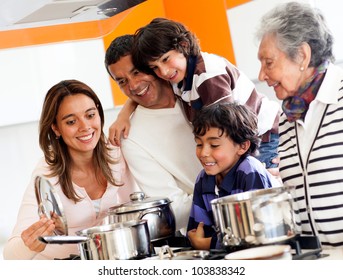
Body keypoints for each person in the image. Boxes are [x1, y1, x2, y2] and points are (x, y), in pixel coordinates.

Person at [110, 17, 280, 170]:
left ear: (183, 45)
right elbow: (138, 91)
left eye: (165, 59)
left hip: (265, 138)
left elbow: (225, 132)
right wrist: (124, 115)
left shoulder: (208, 76)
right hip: (249, 140)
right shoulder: (178, 75)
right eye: (154, 67)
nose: (163, 71)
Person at [3, 79, 137, 259]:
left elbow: (133, 211)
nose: (85, 127)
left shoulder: (116, 154)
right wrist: (31, 243)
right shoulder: (47, 173)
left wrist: (125, 113)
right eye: (71, 121)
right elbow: (11, 255)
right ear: (56, 128)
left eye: (90, 115)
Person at [256, 1, 343, 247]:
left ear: (302, 55)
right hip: (314, 259)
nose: (262, 75)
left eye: (268, 62)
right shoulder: (287, 116)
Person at [105, 35, 203, 231]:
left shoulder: (191, 86)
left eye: (137, 72)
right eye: (122, 81)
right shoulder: (131, 138)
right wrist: (224, 191)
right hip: (207, 229)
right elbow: (174, 210)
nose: (133, 86)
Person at [187, 102, 273, 250]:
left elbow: (257, 235)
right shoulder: (203, 179)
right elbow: (198, 232)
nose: (203, 153)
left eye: (214, 145)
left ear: (242, 146)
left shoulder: (250, 171)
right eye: (199, 144)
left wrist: (211, 244)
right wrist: (208, 242)